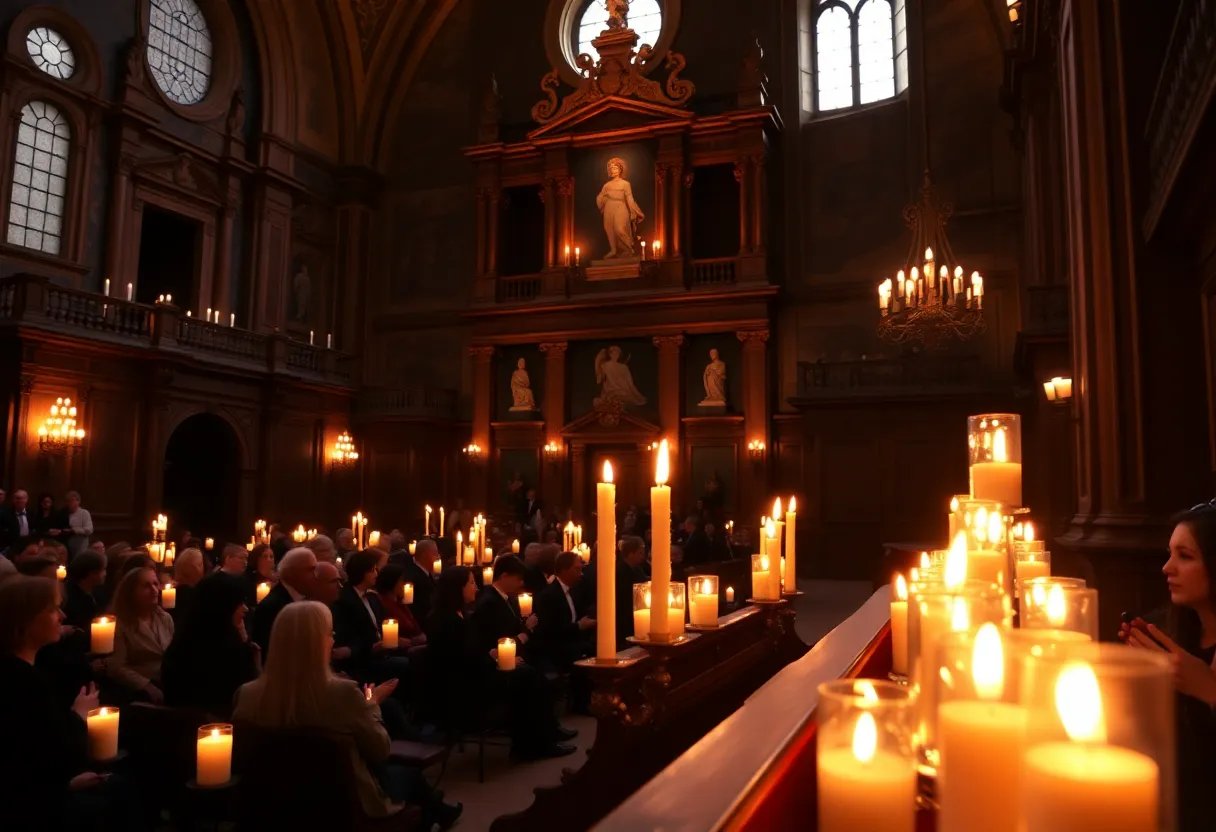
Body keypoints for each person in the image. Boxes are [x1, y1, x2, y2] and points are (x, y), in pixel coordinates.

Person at [232, 602, 461, 828]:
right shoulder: (342, 694)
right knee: (409, 777)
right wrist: (372, 704)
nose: (333, 640)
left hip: (274, 804)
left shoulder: (247, 695)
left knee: (408, 782)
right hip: (342, 802)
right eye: (330, 634)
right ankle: (434, 811)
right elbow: (380, 749)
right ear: (317, 642)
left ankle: (436, 809)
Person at [0, 577, 144, 831]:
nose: (63, 616)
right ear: (26, 619)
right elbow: (50, 756)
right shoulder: (22, 682)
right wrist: (79, 716)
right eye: (53, 609)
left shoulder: (25, 672)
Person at [1120, 504, 1216, 831]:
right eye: (1169, 553)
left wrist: (1207, 688)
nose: (1166, 568)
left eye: (1185, 556)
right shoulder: (1170, 630)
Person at [428, 567, 575, 761]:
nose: (476, 587)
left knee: (528, 674)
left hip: (474, 673)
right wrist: (497, 661)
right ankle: (535, 744)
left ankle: (534, 741)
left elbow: (471, 651)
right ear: (457, 588)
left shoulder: (458, 615)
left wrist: (495, 655)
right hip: (463, 685)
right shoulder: (445, 620)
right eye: (471, 583)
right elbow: (460, 660)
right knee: (527, 677)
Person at [162, 573, 260, 718]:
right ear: (222, 607)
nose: (245, 609)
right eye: (239, 603)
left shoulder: (184, 642)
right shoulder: (226, 654)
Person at [332, 550, 410, 684]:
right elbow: (348, 638)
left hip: (382, 653)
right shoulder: (344, 600)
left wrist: (393, 639)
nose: (376, 574)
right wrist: (373, 647)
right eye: (372, 570)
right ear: (361, 572)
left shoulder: (372, 597)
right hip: (363, 660)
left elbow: (381, 626)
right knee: (406, 664)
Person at [107, 566, 173, 704]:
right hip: (138, 690)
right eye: (146, 586)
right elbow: (116, 667)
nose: (154, 590)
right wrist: (145, 685)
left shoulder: (164, 618)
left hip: (168, 681)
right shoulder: (120, 624)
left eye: (155, 584)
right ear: (131, 592)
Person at [252, 547, 317, 659]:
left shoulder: (307, 598)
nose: (316, 575)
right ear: (292, 573)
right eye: (311, 570)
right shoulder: (272, 607)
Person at [534, 551, 595, 670]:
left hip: (574, 642)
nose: (581, 574)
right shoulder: (549, 595)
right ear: (563, 570)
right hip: (557, 648)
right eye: (576, 569)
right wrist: (578, 626)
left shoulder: (575, 590)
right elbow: (549, 630)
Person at [471, 555, 538, 659]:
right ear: (504, 576)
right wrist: (527, 630)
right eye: (519, 579)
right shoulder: (489, 603)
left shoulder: (506, 597)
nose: (522, 583)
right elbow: (494, 641)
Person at [374, 563, 426, 647]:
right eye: (401, 581)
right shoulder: (383, 604)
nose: (404, 585)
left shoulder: (400, 603)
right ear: (391, 582)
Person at [61, 551, 106, 633]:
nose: (105, 574)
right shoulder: (67, 595)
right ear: (90, 573)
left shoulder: (99, 591)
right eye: (102, 570)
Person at [402, 538, 438, 627]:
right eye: (435, 554)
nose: (438, 557)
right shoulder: (414, 576)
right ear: (424, 555)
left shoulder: (427, 574)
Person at [62, 491, 94, 560]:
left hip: (81, 544)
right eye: (68, 501)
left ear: (78, 501)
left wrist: (74, 530)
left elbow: (89, 530)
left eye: (72, 501)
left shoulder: (84, 513)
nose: (69, 503)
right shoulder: (65, 514)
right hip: (68, 545)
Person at [0, 489, 32, 553]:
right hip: (11, 547)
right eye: (16, 498)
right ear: (13, 500)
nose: (19, 501)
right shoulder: (5, 514)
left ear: (26, 499)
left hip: (28, 545)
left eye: (21, 498)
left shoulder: (31, 513)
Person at [245, 543, 276, 608]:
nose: (269, 560)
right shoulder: (249, 579)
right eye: (265, 556)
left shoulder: (278, 577)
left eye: (271, 556)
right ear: (257, 559)